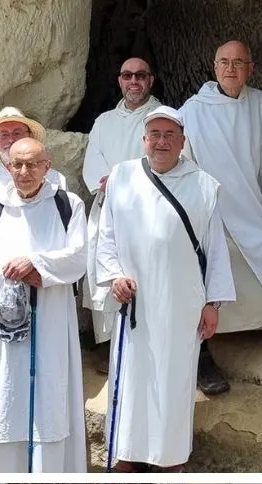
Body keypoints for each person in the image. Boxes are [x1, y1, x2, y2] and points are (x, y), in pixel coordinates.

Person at [96, 105, 235, 470]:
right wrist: (113, 276)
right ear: (144, 140)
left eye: (169, 135)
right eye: (154, 135)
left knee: (174, 383)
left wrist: (213, 304)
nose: (161, 142)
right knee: (130, 382)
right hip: (136, 304)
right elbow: (106, 236)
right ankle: (124, 456)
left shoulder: (204, 185)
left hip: (181, 305)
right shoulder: (122, 177)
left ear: (182, 141)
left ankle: (171, 459)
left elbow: (216, 248)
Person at [180, 40, 262, 395]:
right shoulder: (192, 111)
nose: (231, 69)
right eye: (224, 62)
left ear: (251, 68)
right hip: (211, 209)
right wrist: (197, 213)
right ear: (214, 68)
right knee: (201, 265)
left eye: (238, 63)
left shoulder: (261, 103)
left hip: (251, 203)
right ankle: (201, 353)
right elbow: (188, 164)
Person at [0, 139, 87, 472]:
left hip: (52, 313)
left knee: (50, 390)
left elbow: (79, 256)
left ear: (47, 166)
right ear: (8, 167)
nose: (24, 172)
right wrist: (13, 278)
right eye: (17, 165)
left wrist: (37, 265)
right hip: (7, 318)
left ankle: (48, 467)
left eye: (32, 164)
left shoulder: (67, 204)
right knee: (7, 391)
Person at [83, 56, 164, 357]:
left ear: (150, 80)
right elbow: (94, 163)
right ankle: (109, 344)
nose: (134, 81)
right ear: (119, 80)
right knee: (106, 270)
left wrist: (128, 183)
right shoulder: (104, 122)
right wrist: (110, 183)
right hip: (108, 207)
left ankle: (146, 344)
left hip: (149, 210)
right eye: (127, 75)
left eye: (141, 75)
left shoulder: (163, 117)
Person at [0, 107, 69, 348]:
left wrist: (40, 269)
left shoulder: (55, 181)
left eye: (18, 132)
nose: (11, 138)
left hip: (45, 287)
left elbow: (62, 235)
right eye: (4, 134)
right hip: (2, 290)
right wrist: (8, 283)